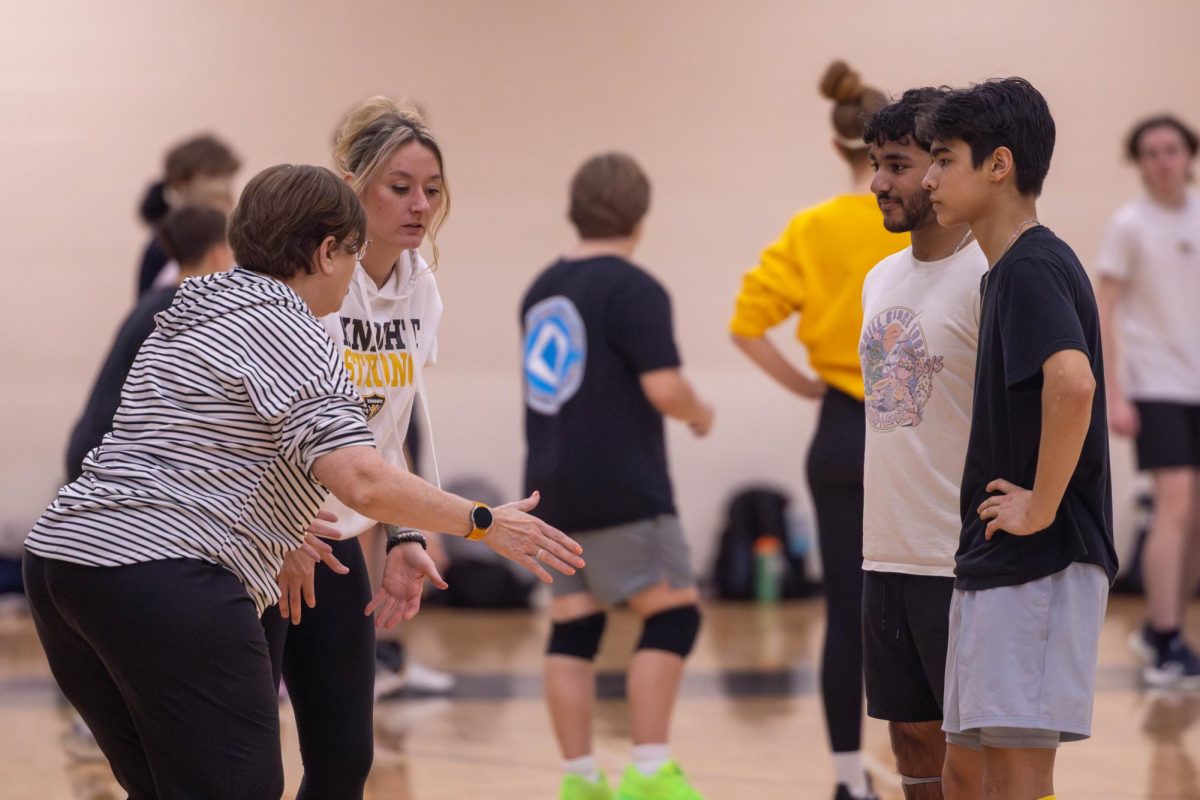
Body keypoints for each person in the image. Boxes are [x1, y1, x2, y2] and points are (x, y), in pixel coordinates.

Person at [24, 163, 584, 800]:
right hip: (163, 569)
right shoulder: (289, 328)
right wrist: (485, 521)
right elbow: (363, 482)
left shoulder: (197, 303)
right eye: (351, 254)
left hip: (62, 566)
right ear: (325, 252)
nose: (353, 275)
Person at [920, 78, 1119, 800]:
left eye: (944, 158)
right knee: (970, 770)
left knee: (1016, 776)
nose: (930, 177)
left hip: (1043, 558)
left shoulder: (1032, 266)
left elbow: (1074, 384)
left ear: (998, 165)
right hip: (1001, 561)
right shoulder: (1005, 272)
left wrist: (1038, 506)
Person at [259, 97, 455, 799]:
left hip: (339, 541)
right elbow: (265, 412)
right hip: (268, 541)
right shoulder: (310, 279)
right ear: (351, 185)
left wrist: (406, 532)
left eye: (431, 189)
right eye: (399, 187)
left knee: (345, 761)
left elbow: (397, 420)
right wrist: (277, 527)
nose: (420, 204)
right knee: (241, 770)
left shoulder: (420, 287)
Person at [730, 59, 905, 800]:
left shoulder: (813, 228)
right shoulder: (922, 225)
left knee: (846, 613)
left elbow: (746, 325)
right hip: (912, 430)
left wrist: (808, 382)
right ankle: (928, 765)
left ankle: (844, 778)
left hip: (837, 427)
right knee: (919, 608)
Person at [522, 152, 713, 800]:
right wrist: (699, 411)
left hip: (551, 488)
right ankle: (652, 772)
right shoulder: (635, 288)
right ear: (639, 215)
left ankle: (581, 782)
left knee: (575, 625)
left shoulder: (541, 288)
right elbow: (663, 386)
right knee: (673, 617)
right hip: (624, 485)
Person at [858, 88, 987, 800]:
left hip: (961, 559)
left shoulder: (989, 275)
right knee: (910, 736)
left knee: (976, 750)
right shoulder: (880, 278)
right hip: (887, 552)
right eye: (875, 164)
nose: (879, 183)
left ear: (937, 169)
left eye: (897, 165)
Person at [1096, 114, 1200, 688]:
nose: (1163, 160)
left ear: (1189, 155)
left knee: (1195, 517)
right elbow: (1103, 309)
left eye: (1172, 149)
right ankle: (1163, 636)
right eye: (1151, 152)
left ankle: (1169, 632)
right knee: (1175, 505)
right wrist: (1117, 392)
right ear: (1139, 163)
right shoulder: (1129, 225)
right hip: (1157, 385)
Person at [67, 205, 233, 482]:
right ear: (217, 254)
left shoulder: (162, 300)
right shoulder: (184, 311)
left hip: (98, 449)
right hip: (107, 460)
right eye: (230, 250)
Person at [136, 133, 240, 296]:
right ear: (181, 183)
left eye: (228, 178)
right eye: (213, 176)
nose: (223, 188)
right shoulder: (164, 247)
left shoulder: (231, 240)